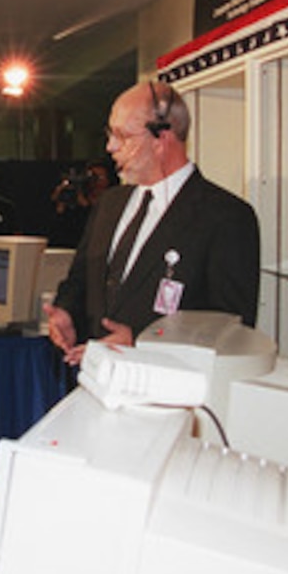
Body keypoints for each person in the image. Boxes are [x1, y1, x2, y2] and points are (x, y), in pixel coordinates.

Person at [46, 81, 260, 363]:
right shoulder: (110, 204)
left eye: (123, 136)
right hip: (96, 382)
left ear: (162, 138)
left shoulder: (225, 217)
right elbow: (81, 277)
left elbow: (230, 328)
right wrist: (66, 312)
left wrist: (141, 343)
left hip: (167, 393)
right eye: (111, 134)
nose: (110, 147)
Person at [45, 159, 115, 249]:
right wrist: (59, 204)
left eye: (100, 177)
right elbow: (55, 233)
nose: (95, 182)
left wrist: (85, 206)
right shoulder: (76, 203)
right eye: (92, 177)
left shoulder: (111, 203)